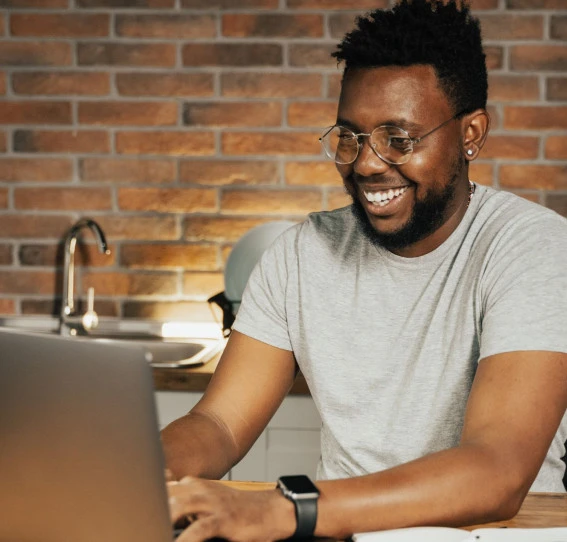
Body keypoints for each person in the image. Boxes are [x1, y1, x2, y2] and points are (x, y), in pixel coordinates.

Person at [162, 0, 567, 540]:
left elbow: (496, 471)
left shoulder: (533, 248)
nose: (367, 163)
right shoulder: (301, 254)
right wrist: (145, 475)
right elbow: (217, 424)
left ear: (471, 134)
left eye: (399, 139)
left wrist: (285, 510)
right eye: (350, 136)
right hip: (341, 531)